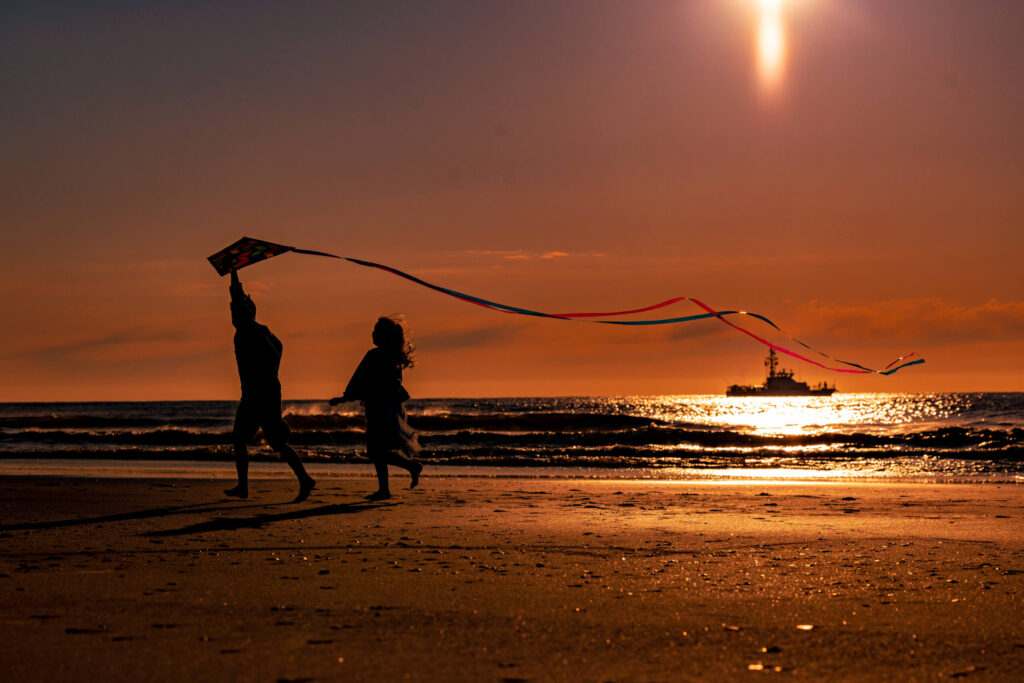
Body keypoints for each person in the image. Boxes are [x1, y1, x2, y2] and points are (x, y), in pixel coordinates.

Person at [224, 270, 315, 502]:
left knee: (244, 438)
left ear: (246, 312)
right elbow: (279, 348)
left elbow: (277, 350)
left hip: (259, 394)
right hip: (261, 392)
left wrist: (234, 273)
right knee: (271, 442)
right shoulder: (253, 330)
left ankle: (248, 486)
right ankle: (303, 479)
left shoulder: (250, 330)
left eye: (235, 311)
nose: (232, 314)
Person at [330, 316, 423, 500]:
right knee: (378, 451)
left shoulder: (376, 356)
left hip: (382, 409)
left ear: (386, 336)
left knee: (376, 451)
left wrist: (344, 397)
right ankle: (395, 481)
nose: (373, 333)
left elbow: (358, 379)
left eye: (377, 330)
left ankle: (395, 481)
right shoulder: (393, 357)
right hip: (390, 408)